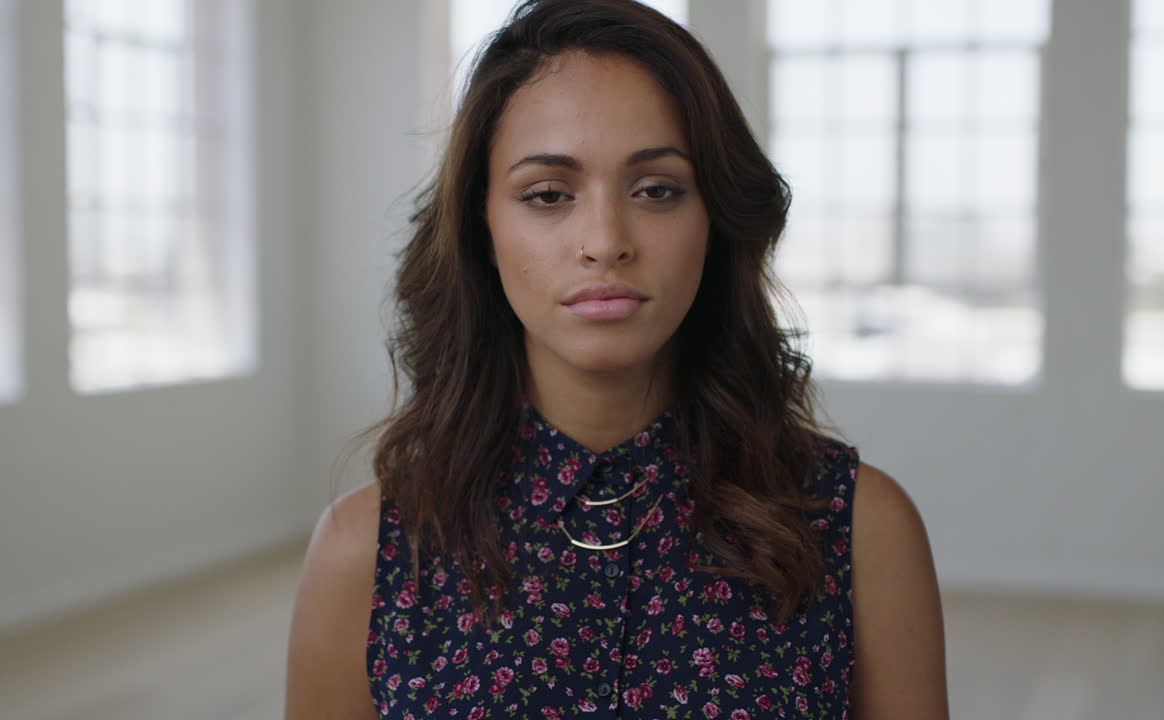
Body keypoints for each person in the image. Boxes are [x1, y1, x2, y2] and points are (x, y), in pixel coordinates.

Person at [285, 0, 947, 717]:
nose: (606, 240)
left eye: (657, 190)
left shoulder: (859, 530)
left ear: (715, 220)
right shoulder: (368, 551)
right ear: (481, 229)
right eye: (547, 194)